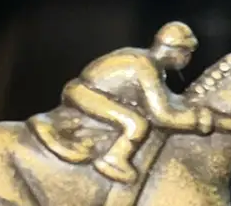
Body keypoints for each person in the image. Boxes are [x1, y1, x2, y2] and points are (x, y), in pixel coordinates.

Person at [61, 21, 214, 183]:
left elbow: (164, 98)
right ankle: (113, 159)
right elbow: (161, 116)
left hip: (88, 89)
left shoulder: (148, 62)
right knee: (136, 123)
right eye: (186, 53)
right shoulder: (146, 68)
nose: (188, 58)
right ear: (175, 51)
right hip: (85, 93)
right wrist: (197, 121)